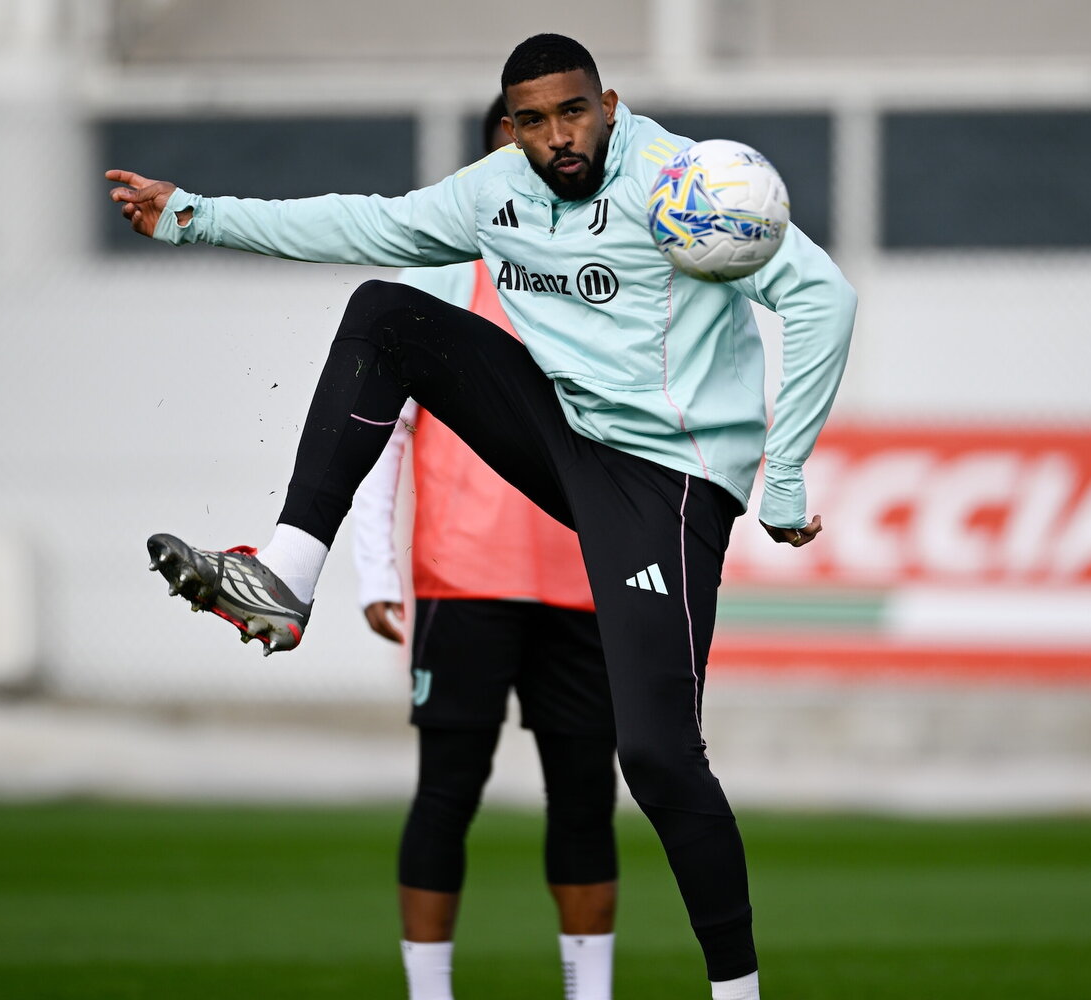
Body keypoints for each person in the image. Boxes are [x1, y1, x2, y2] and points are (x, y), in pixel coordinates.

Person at [111, 33, 856, 1000]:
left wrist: (782, 477)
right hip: (567, 440)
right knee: (386, 313)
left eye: (574, 112)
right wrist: (194, 216)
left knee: (656, 758)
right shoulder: (496, 190)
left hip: (667, 481)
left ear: (609, 106)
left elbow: (823, 299)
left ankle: (737, 992)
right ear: (512, 125)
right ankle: (287, 576)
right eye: (533, 121)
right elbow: (364, 222)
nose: (557, 137)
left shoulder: (677, 180)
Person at [349, 96, 620, 1000]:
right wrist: (375, 568)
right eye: (523, 138)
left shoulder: (611, 274)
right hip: (463, 581)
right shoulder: (439, 276)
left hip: (586, 586)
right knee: (447, 792)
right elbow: (380, 429)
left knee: (584, 801)